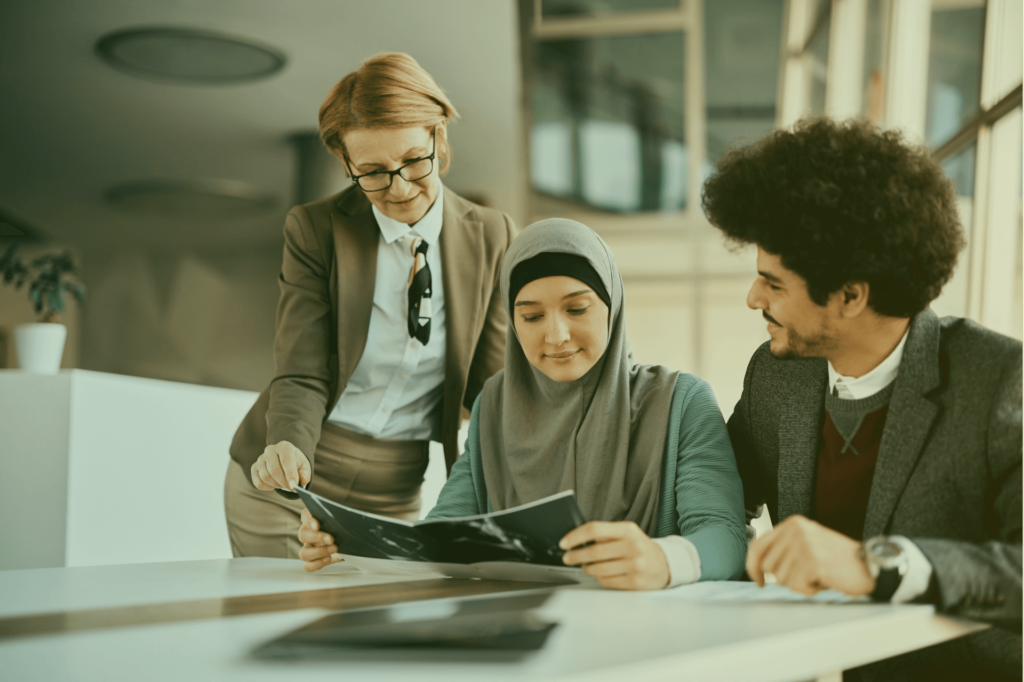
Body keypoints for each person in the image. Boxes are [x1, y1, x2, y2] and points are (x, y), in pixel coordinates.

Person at [702, 117, 1021, 679]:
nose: (753, 298)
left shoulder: (999, 382)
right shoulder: (776, 376)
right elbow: (716, 494)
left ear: (850, 295)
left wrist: (874, 565)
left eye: (774, 283)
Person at [300, 218, 747, 589]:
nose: (555, 335)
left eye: (577, 309)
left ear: (611, 305)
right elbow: (446, 532)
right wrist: (350, 547)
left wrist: (663, 560)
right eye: (531, 316)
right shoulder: (494, 403)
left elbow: (724, 535)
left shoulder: (680, 400)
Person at [225, 52, 516, 560]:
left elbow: (489, 384)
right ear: (346, 164)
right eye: (373, 172)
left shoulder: (492, 235)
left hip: (393, 492)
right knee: (282, 628)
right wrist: (288, 444)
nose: (400, 188)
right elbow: (302, 368)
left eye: (413, 161)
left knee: (369, 631)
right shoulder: (315, 229)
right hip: (290, 482)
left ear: (438, 136)